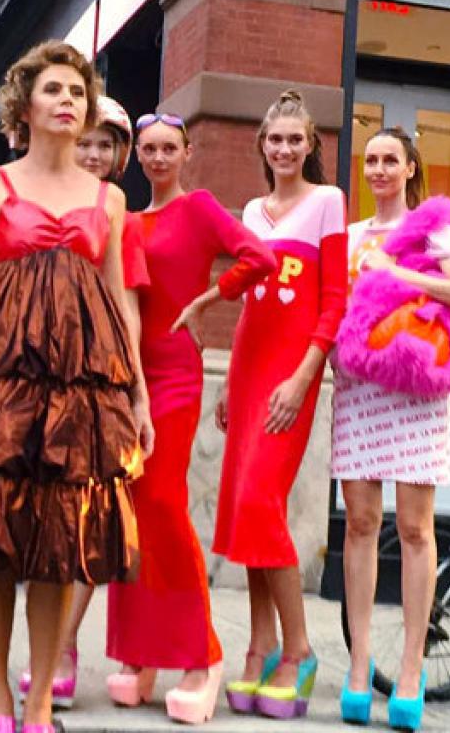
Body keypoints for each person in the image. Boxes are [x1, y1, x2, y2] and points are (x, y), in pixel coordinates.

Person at [0, 40, 154, 733]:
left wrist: (136, 397)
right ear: (25, 105)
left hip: (78, 393)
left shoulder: (110, 200)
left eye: (77, 93)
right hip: (0, 383)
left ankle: (40, 700)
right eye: (54, 90)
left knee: (61, 546)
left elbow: (117, 301)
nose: (67, 102)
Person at [111, 111, 277, 724]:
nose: (157, 158)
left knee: (163, 505)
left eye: (167, 149)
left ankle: (202, 656)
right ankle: (140, 654)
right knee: (132, 514)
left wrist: (213, 295)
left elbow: (257, 256)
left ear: (187, 152)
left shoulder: (201, 206)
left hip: (178, 374)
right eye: (148, 149)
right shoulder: (128, 220)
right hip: (129, 375)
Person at [331, 127, 450, 731]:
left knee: (416, 529)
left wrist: (400, 275)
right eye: (370, 160)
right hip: (360, 389)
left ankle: (412, 667)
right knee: (361, 524)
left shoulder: (429, 229)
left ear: (410, 166)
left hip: (417, 391)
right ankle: (360, 661)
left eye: (390, 159)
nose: (379, 169)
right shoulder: (347, 238)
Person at [215, 90, 347, 721]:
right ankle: (260, 642)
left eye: (296, 139)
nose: (285, 149)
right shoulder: (250, 209)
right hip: (245, 369)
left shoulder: (328, 202)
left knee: (262, 503)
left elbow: (334, 301)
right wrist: (223, 382)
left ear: (311, 146)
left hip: (291, 371)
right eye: (276, 140)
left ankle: (298, 650)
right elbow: (246, 300)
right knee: (243, 510)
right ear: (262, 146)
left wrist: (304, 378)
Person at [21, 95, 150, 710]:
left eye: (107, 145)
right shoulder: (30, 193)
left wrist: (135, 389)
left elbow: (128, 307)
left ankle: (65, 647)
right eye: (88, 143)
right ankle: (46, 649)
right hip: (30, 373)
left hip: (95, 377)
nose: (95, 154)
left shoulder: (121, 215)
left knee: (84, 514)